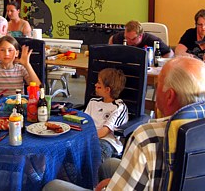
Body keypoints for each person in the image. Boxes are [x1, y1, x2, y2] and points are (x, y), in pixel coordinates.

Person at [43, 56, 205, 191]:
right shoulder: (198, 129)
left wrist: (109, 187)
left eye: (157, 86)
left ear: (169, 96)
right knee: (108, 165)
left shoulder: (149, 136)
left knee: (52, 186)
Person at [85, 68, 128, 162]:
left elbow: (105, 131)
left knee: (94, 155)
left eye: (99, 84)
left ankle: (91, 176)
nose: (95, 85)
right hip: (89, 138)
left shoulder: (118, 107)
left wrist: (86, 138)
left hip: (107, 142)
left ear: (107, 90)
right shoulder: (93, 102)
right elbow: (84, 122)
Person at [109, 20, 174, 58]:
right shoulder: (121, 36)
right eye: (126, 38)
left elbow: (170, 53)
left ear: (140, 36)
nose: (128, 41)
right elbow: (112, 39)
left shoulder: (152, 40)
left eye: (133, 39)